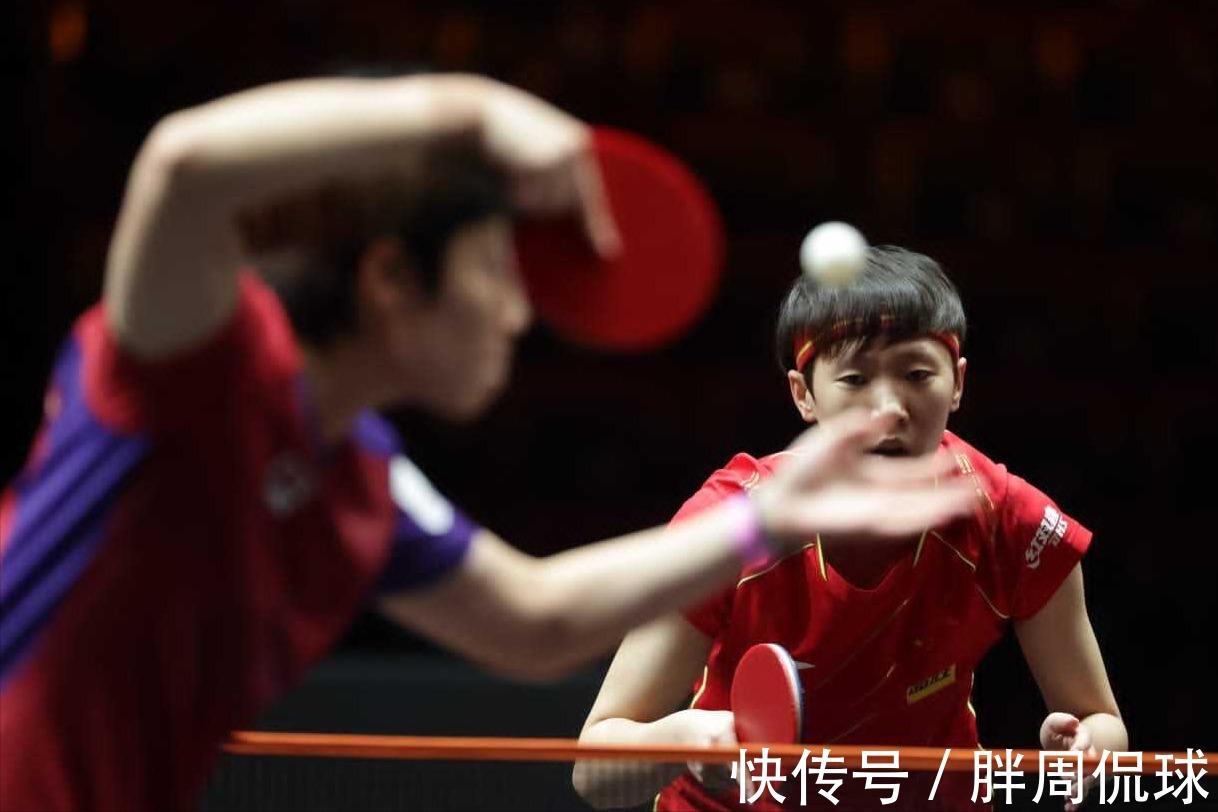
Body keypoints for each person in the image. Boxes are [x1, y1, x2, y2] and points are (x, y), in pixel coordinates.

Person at [0, 76, 976, 811]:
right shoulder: (200, 363)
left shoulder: (360, 483)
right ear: (392, 276)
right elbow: (180, 167)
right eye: (496, 273)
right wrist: (468, 114)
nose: (518, 314)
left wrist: (769, 517)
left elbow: (534, 621)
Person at [574, 246, 1127, 811]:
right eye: (855, 378)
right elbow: (594, 772)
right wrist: (680, 739)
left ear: (957, 383)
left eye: (917, 374)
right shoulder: (730, 525)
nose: (889, 407)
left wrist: (1088, 748)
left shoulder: (1007, 520)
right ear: (804, 394)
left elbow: (1102, 722)